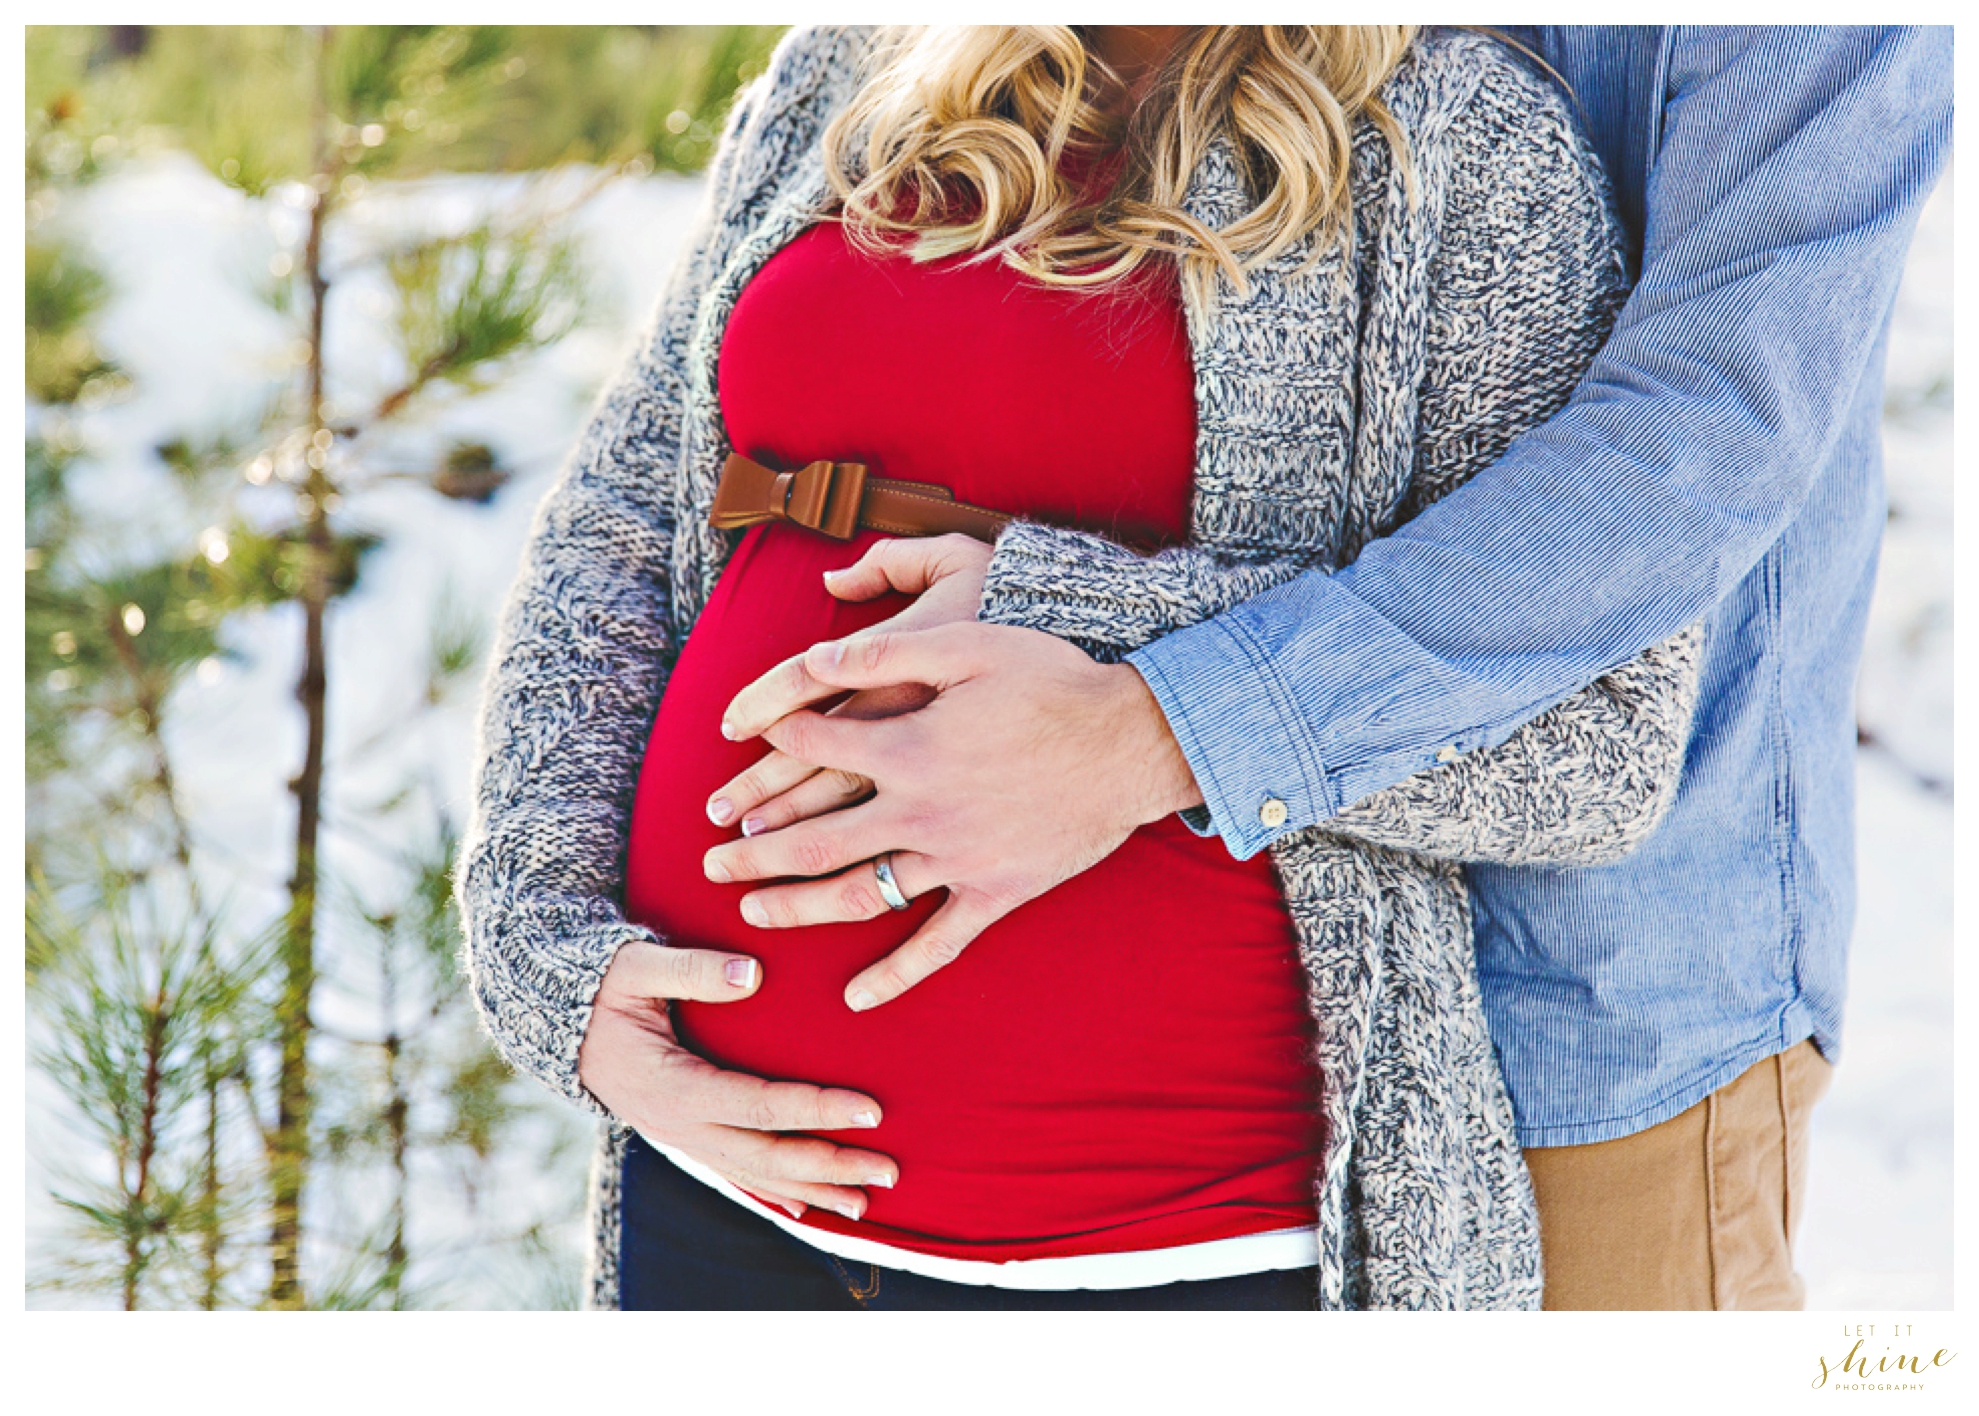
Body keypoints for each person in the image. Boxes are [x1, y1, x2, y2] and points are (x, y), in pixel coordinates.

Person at [459, 22, 1703, 1311]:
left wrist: (1080, 617)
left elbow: (1588, 739)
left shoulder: (1454, 140)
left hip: (1178, 1250)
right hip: (716, 1204)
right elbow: (623, 516)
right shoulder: (852, 63)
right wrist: (546, 944)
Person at [707, 26, 1955, 1309]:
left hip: (1595, 1000)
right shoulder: (913, 68)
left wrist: (1143, 713)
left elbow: (1697, 435)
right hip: (788, 1185)